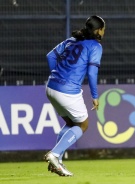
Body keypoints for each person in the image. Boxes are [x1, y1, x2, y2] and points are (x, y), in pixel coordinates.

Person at [44, 15, 106, 176]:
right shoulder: (95, 46)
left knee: (72, 123)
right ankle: (55, 155)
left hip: (51, 86)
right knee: (83, 125)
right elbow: (92, 74)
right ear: (99, 30)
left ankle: (57, 162)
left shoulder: (72, 40)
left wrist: (57, 74)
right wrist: (95, 96)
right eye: (104, 30)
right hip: (67, 91)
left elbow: (50, 56)